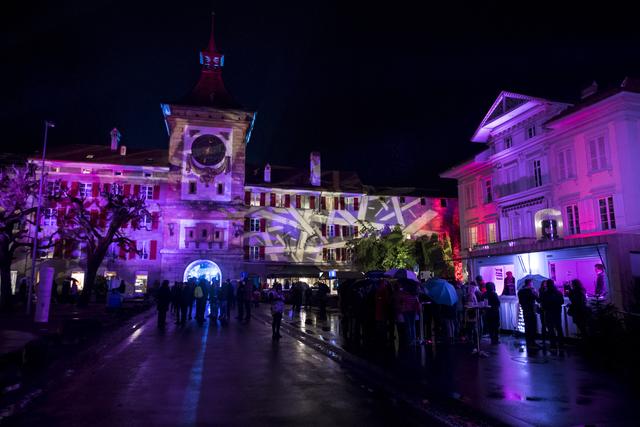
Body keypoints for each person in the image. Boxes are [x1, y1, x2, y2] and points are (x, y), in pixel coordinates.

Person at [541, 279, 564, 348]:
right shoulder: (558, 292)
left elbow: (543, 303)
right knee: (558, 327)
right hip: (557, 312)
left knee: (550, 329)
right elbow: (562, 302)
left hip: (548, 312)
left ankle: (553, 344)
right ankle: (561, 343)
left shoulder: (545, 293)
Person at [398, 281, 421, 346]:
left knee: (408, 326)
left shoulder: (403, 293)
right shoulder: (415, 293)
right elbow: (417, 302)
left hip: (406, 310)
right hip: (413, 310)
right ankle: (413, 340)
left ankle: (409, 340)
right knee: (412, 325)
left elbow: (401, 301)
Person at [518, 278, 539, 348]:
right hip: (531, 310)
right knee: (532, 326)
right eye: (532, 283)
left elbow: (520, 301)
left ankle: (528, 341)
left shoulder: (520, 291)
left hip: (525, 310)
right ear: (530, 283)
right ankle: (533, 342)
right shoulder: (530, 291)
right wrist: (535, 292)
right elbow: (538, 299)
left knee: (527, 326)